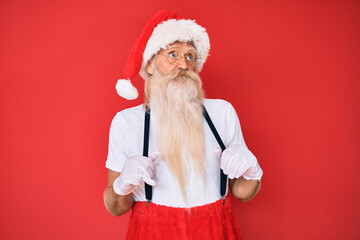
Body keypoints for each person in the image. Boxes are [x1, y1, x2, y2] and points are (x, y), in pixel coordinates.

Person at [103, 10, 263, 240]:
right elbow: (115, 207)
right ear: (149, 65)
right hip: (152, 232)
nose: (184, 65)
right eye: (172, 54)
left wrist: (253, 173)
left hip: (214, 231)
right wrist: (121, 186)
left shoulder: (223, 112)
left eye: (190, 56)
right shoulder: (125, 122)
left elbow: (242, 192)